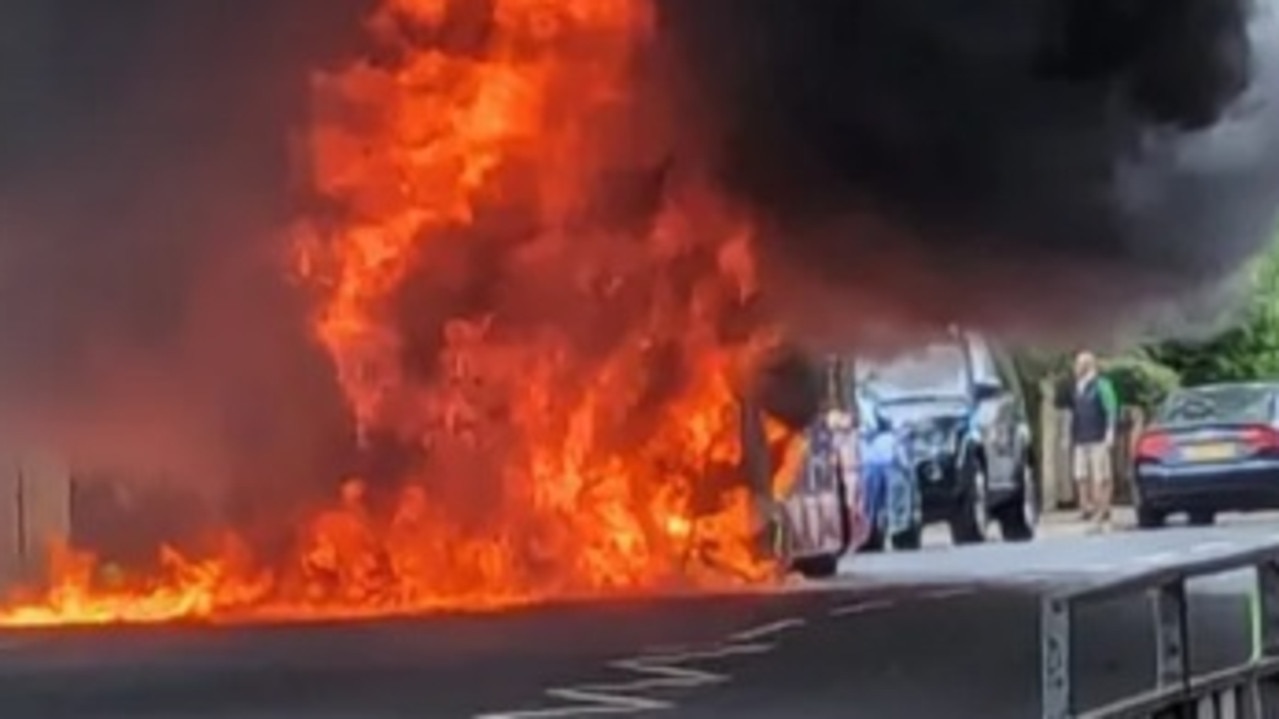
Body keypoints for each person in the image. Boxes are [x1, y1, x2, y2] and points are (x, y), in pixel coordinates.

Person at [1070, 351, 1119, 531]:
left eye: (1078, 364)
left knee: (1099, 477)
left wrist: (1110, 432)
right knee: (1081, 475)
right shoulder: (1078, 387)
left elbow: (1111, 409)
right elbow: (1076, 413)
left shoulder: (1101, 385)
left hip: (1098, 437)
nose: (1075, 368)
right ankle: (1086, 508)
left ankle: (1102, 510)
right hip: (1081, 438)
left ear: (1088, 366)